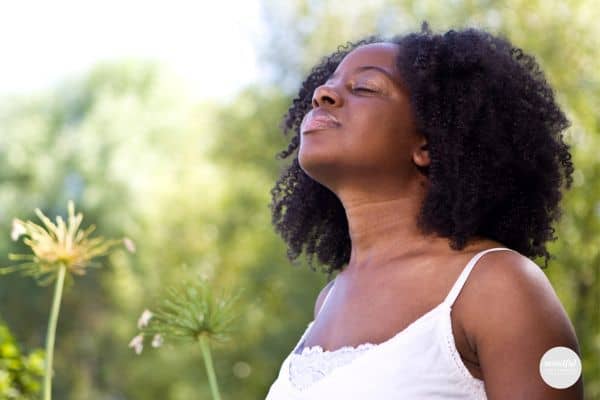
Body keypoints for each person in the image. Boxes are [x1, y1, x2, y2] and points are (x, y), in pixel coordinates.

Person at [266, 21, 583, 399]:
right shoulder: (330, 299)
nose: (323, 94)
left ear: (428, 144)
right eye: (327, 84)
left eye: (364, 87)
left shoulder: (498, 285)